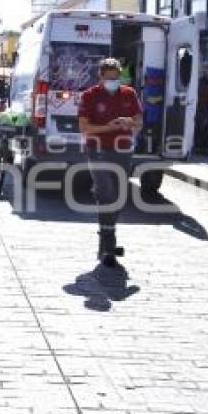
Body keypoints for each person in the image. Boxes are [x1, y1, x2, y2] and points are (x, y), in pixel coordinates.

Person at [78, 58, 143, 267]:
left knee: (118, 198)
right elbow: (85, 128)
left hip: (123, 151)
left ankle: (104, 238)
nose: (113, 81)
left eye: (116, 78)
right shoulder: (89, 96)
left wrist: (129, 122)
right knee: (107, 195)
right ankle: (109, 246)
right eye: (109, 78)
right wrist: (109, 126)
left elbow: (139, 122)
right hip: (97, 150)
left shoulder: (129, 93)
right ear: (101, 76)